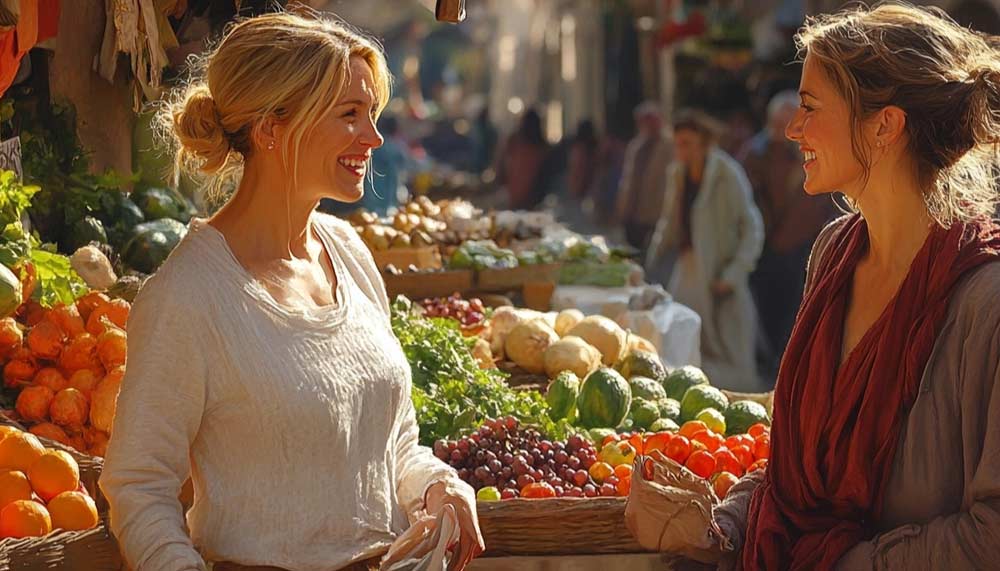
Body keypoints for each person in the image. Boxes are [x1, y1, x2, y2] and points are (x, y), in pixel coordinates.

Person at [100, 13, 483, 571]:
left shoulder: (348, 253)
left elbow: (394, 440)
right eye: (349, 115)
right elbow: (138, 486)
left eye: (371, 114)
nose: (374, 137)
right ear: (271, 128)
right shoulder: (187, 297)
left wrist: (438, 487)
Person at [710, 4, 1000, 570]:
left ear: (885, 126)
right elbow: (798, 470)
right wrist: (722, 522)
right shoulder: (834, 255)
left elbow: (991, 537)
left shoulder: (984, 303)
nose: (794, 128)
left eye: (811, 107)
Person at [645, 110, 764, 392]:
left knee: (729, 355)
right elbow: (669, 221)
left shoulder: (727, 173)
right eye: (678, 143)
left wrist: (734, 272)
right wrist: (649, 261)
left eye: (687, 143)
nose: (681, 150)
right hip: (687, 270)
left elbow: (752, 226)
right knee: (682, 343)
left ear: (703, 143)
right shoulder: (677, 174)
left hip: (720, 273)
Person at [738, 90, 834, 379]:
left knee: (797, 305)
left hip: (802, 244)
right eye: (777, 123)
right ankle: (772, 360)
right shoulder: (755, 152)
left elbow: (824, 201)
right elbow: (747, 198)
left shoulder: (816, 150)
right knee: (766, 304)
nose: (783, 130)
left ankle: (787, 361)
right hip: (767, 245)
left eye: (787, 122)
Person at [614, 102, 674, 254]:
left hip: (657, 212)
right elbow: (627, 179)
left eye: (652, 119)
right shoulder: (636, 146)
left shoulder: (670, 145)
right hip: (634, 212)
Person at [494, 108, 550, 210]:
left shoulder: (514, 140)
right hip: (532, 196)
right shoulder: (541, 146)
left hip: (516, 193)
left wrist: (500, 182)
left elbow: (500, 163)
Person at [359, 115, 411, 216]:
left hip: (372, 193)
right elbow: (405, 170)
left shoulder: (374, 147)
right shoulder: (397, 148)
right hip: (391, 193)